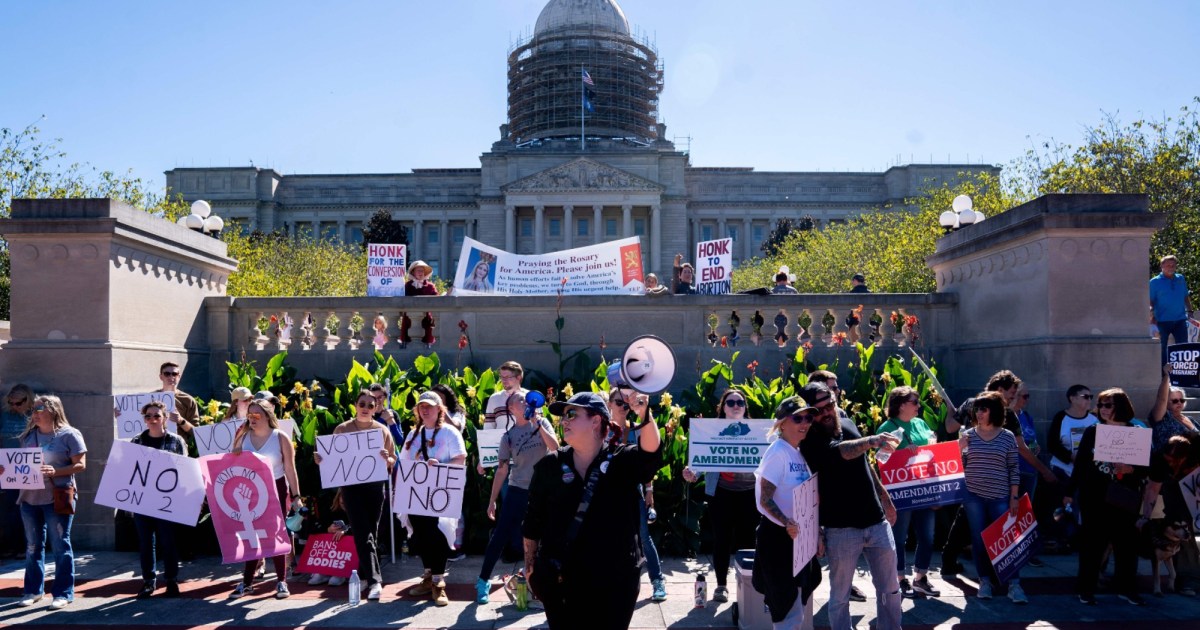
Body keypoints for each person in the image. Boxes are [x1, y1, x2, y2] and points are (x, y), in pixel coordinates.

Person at [523, 392, 662, 629]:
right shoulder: (550, 465)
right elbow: (533, 520)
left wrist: (644, 413)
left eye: (572, 414)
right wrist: (530, 568)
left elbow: (651, 454)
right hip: (561, 578)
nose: (563, 421)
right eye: (563, 416)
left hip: (615, 580)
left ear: (596, 421)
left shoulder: (621, 460)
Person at [799, 382, 902, 630]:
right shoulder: (810, 439)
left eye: (829, 405)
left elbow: (864, 464)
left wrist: (885, 498)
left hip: (876, 521)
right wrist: (871, 441)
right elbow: (842, 452)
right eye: (818, 409)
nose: (826, 413)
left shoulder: (847, 423)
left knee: (891, 589)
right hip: (841, 528)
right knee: (840, 595)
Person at [1065, 388, 1148, 606]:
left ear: (1120, 406)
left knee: (1127, 547)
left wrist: (1131, 469)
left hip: (1124, 497)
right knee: (1092, 546)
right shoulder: (1093, 431)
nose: (1103, 409)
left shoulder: (1135, 431)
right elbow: (1081, 465)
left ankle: (1127, 589)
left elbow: (1147, 468)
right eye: (1100, 405)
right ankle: (1086, 590)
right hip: (1095, 497)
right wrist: (1069, 493)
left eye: (1108, 405)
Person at [4, 395, 87, 609]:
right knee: (32, 546)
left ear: (52, 409)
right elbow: (21, 466)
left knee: (60, 545)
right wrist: (6, 470)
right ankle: (32, 591)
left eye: (39, 408)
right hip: (29, 498)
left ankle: (63, 593)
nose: (34, 413)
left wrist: (56, 471)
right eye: (33, 409)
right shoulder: (28, 436)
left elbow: (81, 465)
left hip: (56, 496)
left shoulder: (69, 434)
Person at [475, 392, 558, 604]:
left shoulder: (542, 422)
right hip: (517, 490)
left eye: (525, 399)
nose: (525, 401)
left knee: (548, 535)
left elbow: (555, 446)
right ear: (511, 409)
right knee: (500, 535)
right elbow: (502, 471)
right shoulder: (508, 436)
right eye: (520, 400)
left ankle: (547, 581)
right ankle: (483, 581)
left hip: (543, 491)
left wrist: (538, 424)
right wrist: (492, 500)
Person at [314, 390, 395, 601]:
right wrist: (320, 459)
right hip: (351, 488)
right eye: (362, 404)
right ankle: (376, 581)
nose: (366, 408)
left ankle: (365, 576)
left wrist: (388, 459)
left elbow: (393, 461)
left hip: (375, 486)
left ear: (376, 408)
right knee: (362, 532)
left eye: (371, 404)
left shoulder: (382, 430)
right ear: (355, 406)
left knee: (372, 535)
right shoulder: (342, 429)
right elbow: (331, 460)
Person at [682, 388, 758, 602]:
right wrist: (692, 473)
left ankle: (749, 586)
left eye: (740, 403)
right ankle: (722, 586)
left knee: (748, 541)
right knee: (721, 541)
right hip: (721, 494)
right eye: (731, 402)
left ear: (745, 408)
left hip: (750, 494)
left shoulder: (758, 431)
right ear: (723, 407)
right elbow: (701, 459)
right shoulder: (710, 431)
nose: (736, 406)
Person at [752, 394, 821, 629]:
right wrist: (787, 522)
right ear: (782, 423)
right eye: (798, 418)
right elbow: (764, 499)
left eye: (809, 418)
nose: (805, 423)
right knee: (785, 610)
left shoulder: (799, 453)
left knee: (796, 608)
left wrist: (816, 534)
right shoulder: (778, 452)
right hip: (778, 538)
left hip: (799, 540)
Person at [229, 398, 303, 599]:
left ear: (267, 416)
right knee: (251, 534)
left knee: (277, 534)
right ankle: (247, 582)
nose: (252, 418)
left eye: (256, 415)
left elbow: (290, 468)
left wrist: (296, 496)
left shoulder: (279, 437)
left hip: (276, 488)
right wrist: (237, 445)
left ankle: (281, 581)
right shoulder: (243, 437)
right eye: (249, 415)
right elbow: (232, 463)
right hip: (250, 491)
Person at [400, 391, 467, 606]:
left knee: (438, 534)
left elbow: (460, 458)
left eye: (429, 406)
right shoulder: (413, 435)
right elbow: (404, 462)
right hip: (418, 494)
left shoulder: (449, 433)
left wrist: (441, 466)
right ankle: (428, 575)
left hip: (441, 493)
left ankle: (439, 582)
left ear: (440, 408)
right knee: (420, 535)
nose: (425, 409)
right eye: (421, 406)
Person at [958, 391, 1027, 603]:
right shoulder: (967, 435)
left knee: (1007, 540)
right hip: (973, 496)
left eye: (984, 409)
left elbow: (1014, 467)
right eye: (977, 409)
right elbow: (959, 466)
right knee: (979, 541)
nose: (979, 413)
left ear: (994, 411)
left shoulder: (1006, 436)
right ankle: (985, 581)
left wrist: (1014, 497)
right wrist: (960, 450)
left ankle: (1014, 584)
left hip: (1000, 495)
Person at [876, 386, 942, 598]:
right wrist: (903, 453)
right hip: (901, 493)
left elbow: (933, 449)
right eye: (915, 402)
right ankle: (900, 579)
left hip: (925, 488)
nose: (919, 406)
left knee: (927, 536)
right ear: (901, 404)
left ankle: (921, 577)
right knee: (899, 537)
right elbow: (881, 460)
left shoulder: (921, 423)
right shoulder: (887, 427)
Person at [608, 385, 667, 602]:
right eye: (619, 402)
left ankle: (657, 580)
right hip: (606, 492)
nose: (624, 407)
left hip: (633, 489)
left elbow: (646, 462)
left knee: (643, 536)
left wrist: (649, 489)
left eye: (626, 403)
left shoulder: (637, 428)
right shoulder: (601, 430)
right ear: (609, 404)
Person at [131, 400, 188, 598]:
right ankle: (148, 581)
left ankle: (171, 580)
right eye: (148, 416)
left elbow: (185, 470)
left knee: (168, 541)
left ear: (164, 419)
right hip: (142, 501)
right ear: (144, 420)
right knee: (146, 543)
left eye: (157, 416)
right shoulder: (136, 441)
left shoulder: (176, 441)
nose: (152, 419)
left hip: (166, 501)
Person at [1143, 434, 1200, 596]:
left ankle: (1189, 577)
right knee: (1179, 525)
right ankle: (1185, 578)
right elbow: (1152, 490)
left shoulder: (1197, 447)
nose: (1170, 462)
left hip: (1194, 483)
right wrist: (1145, 517)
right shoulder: (1159, 460)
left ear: (1184, 458)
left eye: (1174, 460)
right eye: (1168, 459)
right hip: (1172, 487)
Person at [0, 384, 33, 558]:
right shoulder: (5, 415)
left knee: (27, 508)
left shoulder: (35, 415)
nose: (14, 406)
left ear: (28, 400)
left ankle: (24, 545)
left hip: (28, 467)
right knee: (9, 506)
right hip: (7, 467)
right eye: (11, 403)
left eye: (18, 403)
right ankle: (10, 545)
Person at [1150, 254, 1193, 364]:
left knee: (1183, 348)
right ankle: (1163, 375)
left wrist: (1190, 310)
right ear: (1162, 266)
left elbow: (1185, 296)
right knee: (1162, 348)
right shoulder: (1154, 282)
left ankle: (1181, 375)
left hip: (1180, 320)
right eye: (1168, 265)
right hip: (1161, 321)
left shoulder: (1180, 278)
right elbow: (1150, 301)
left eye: (1173, 265)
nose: (1171, 267)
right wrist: (1151, 315)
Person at [1149, 364, 1199, 454]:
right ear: (1166, 403)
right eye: (1175, 400)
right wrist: (1167, 376)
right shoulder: (1162, 418)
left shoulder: (1190, 419)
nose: (1179, 402)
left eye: (1182, 400)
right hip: (1169, 462)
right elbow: (1161, 399)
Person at [157, 362, 198, 435]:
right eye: (167, 374)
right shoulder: (151, 398)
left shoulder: (188, 400)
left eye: (174, 374)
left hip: (178, 445)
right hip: (152, 444)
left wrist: (180, 420)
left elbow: (196, 432)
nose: (171, 377)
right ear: (161, 377)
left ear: (179, 377)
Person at [484, 361, 527, 429]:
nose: (503, 380)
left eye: (507, 377)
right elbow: (488, 428)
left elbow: (539, 426)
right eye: (502, 377)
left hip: (526, 439)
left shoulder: (531, 397)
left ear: (518, 377)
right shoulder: (494, 398)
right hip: (501, 439)